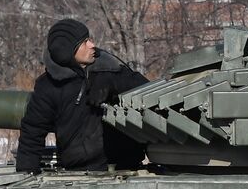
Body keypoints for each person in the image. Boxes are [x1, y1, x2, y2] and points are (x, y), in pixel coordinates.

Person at [15, 18, 149, 173]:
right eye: (85, 42)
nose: (92, 45)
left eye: (89, 39)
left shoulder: (111, 71)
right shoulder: (49, 86)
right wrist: (26, 173)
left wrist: (113, 85)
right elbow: (32, 133)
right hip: (79, 174)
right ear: (68, 50)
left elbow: (147, 89)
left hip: (126, 169)